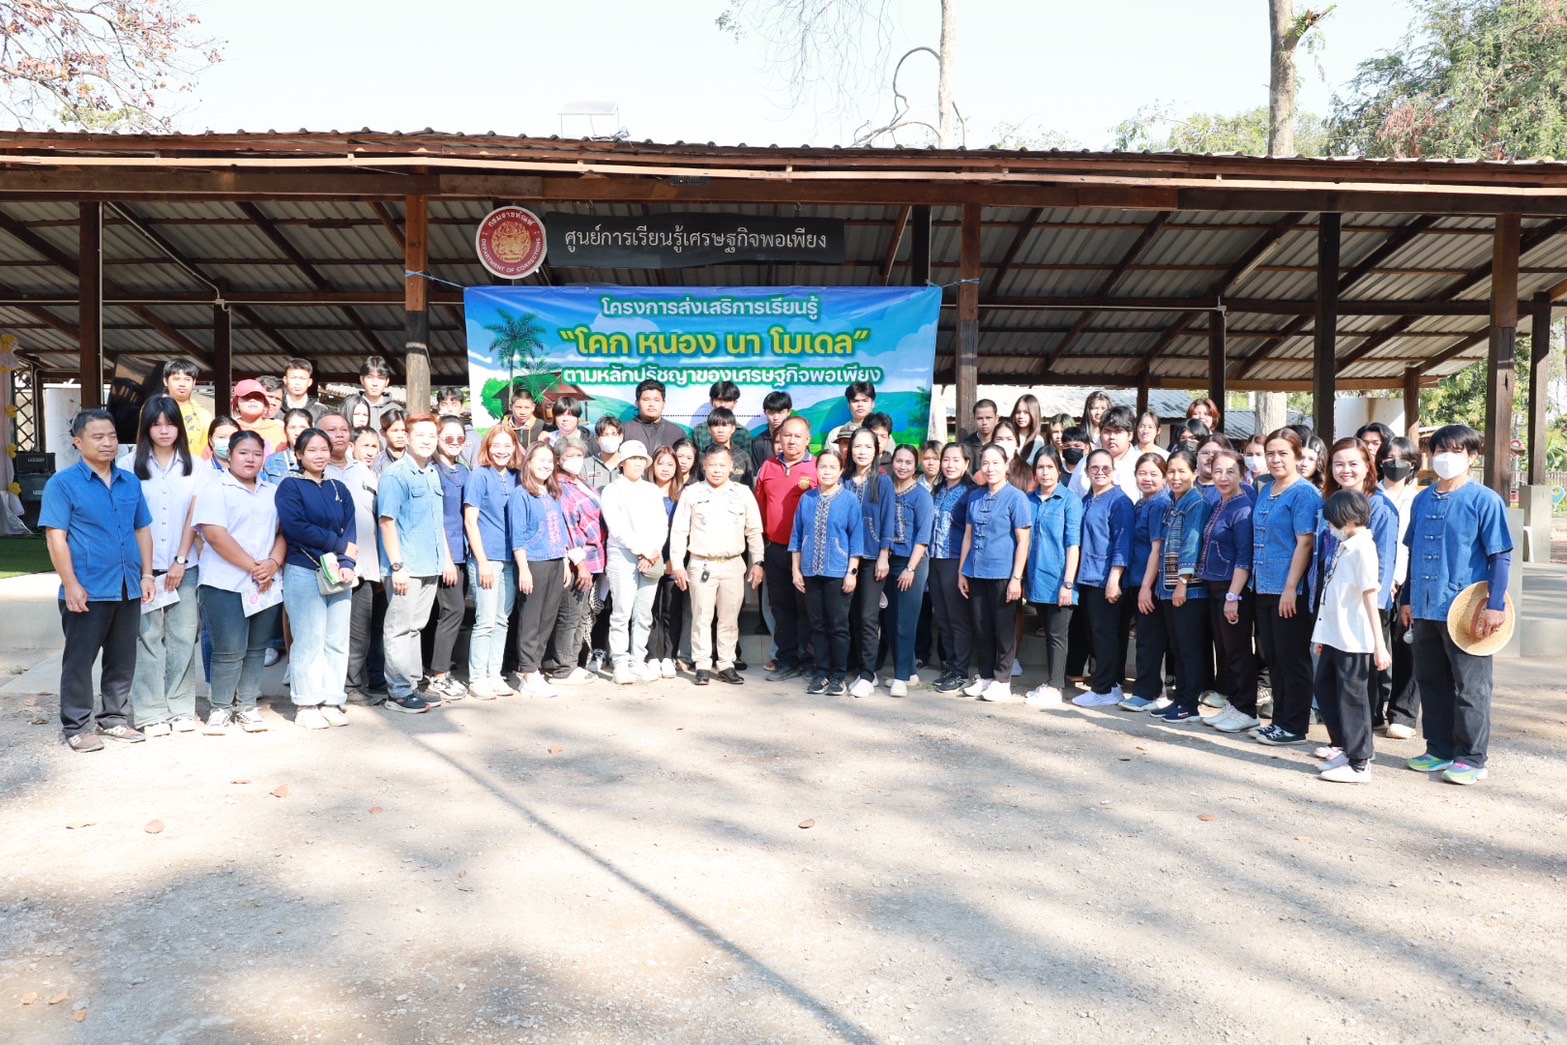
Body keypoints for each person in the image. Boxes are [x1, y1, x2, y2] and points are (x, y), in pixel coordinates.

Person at [1399, 424, 1511, 786]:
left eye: (1456, 451)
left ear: (1472, 457)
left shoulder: (1485, 500)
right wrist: (1406, 599)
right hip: (1425, 607)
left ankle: (1472, 758)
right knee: (1431, 681)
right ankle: (1439, 749)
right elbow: (1414, 552)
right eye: (1439, 451)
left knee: (1472, 687)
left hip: (1466, 610)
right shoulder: (1422, 500)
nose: (1446, 457)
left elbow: (1500, 556)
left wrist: (1496, 605)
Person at [41, 409, 156, 751]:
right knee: (79, 661)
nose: (108, 443)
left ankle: (114, 719)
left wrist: (147, 574)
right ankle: (76, 726)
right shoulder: (62, 484)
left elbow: (142, 529)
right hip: (87, 588)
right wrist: (71, 584)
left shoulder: (130, 482)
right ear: (78, 442)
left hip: (127, 585)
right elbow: (56, 537)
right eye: (98, 437)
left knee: (122, 658)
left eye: (112, 436)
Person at [193, 430, 285, 735]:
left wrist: (272, 564)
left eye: (257, 454)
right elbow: (215, 536)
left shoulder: (273, 491)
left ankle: (247, 706)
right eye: (243, 453)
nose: (250, 459)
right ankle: (220, 708)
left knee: (257, 648)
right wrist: (254, 567)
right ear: (229, 455)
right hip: (225, 583)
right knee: (229, 649)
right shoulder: (215, 489)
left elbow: (283, 533)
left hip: (265, 583)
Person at [123, 396, 202, 737]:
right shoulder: (128, 465)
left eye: (170, 423)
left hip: (185, 566)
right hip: (144, 569)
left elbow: (196, 516)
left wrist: (180, 560)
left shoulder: (197, 466)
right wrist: (146, 570)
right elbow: (129, 520)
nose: (164, 430)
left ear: (179, 427)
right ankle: (150, 712)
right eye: (156, 424)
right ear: (146, 428)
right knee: (147, 638)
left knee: (183, 637)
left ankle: (181, 708)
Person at [275, 428, 357, 729]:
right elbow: (295, 527)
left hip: (339, 572)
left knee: (337, 639)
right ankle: (306, 704)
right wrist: (339, 546)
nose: (320, 455)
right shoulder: (290, 486)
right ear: (298, 454)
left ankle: (332, 700)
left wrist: (347, 562)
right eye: (311, 450)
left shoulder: (338, 488)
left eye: (324, 449)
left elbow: (350, 528)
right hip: (303, 569)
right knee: (308, 639)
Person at [1312, 490, 1392, 783]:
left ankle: (1360, 763)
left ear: (1344, 518)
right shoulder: (1346, 546)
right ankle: (1346, 748)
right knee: (1326, 689)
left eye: (1332, 520)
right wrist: (1322, 635)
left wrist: (1379, 645)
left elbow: (1370, 596)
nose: (1330, 525)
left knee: (1352, 699)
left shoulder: (1363, 549)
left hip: (1354, 638)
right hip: (1335, 635)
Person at [671, 444, 765, 685]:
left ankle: (726, 664)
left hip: (733, 564)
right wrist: (678, 564)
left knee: (729, 618)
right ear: (704, 466)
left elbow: (754, 531)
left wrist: (757, 562)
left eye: (722, 465)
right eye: (712, 464)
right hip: (701, 564)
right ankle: (702, 664)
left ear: (731, 467)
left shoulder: (743, 493)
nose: (716, 470)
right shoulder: (692, 493)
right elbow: (679, 531)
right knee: (701, 616)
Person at [1250, 428, 1321, 746]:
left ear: (1297, 456)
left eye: (1283, 453)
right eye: (1270, 453)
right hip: (1262, 586)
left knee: (1293, 659)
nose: (1275, 459)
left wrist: (1291, 588)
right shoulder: (1267, 489)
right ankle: (1279, 721)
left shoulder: (1304, 494)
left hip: (1289, 589)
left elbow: (1305, 543)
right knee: (1275, 658)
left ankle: (1294, 726)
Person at [378, 414, 452, 714]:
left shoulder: (432, 472)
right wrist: (397, 566)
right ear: (406, 438)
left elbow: (436, 522)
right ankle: (397, 693)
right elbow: (387, 522)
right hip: (405, 567)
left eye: (432, 435)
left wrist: (444, 559)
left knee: (415, 628)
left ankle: (410, 685)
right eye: (420, 435)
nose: (427, 440)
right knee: (398, 629)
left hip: (429, 564)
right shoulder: (396, 475)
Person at [958, 443, 1033, 702]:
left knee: (1003, 629)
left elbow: (1023, 541)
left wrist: (1016, 578)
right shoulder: (975, 497)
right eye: (985, 463)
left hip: (1003, 574)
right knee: (982, 627)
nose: (990, 468)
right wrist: (962, 571)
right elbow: (968, 537)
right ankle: (986, 676)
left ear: (1006, 466)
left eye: (995, 463)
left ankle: (1003, 680)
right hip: (976, 571)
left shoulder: (1016, 498)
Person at [1146, 450, 1213, 723]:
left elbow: (1192, 545)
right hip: (1169, 588)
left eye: (1182, 471)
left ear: (1195, 473)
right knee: (1177, 648)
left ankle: (1189, 705)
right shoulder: (1174, 503)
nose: (1175, 477)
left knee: (1189, 649)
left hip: (1188, 590)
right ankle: (1180, 700)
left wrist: (1182, 583)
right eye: (1171, 472)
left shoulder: (1197, 503)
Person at [791, 448, 864, 697]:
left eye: (833, 467)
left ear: (841, 470)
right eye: (823, 466)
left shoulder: (849, 500)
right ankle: (821, 672)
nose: (827, 471)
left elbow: (856, 539)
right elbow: (796, 536)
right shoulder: (807, 499)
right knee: (818, 625)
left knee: (838, 626)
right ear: (816, 469)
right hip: (811, 572)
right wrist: (796, 570)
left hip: (837, 571)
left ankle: (838, 675)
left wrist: (852, 572)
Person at [1198, 450, 1261, 733]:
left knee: (1238, 651)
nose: (1223, 477)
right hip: (1215, 586)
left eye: (1230, 471)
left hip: (1231, 589)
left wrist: (1233, 597)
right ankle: (1235, 705)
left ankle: (1247, 709)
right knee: (1226, 650)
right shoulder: (1220, 503)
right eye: (1218, 471)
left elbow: (1244, 558)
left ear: (1242, 474)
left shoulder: (1243, 508)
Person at [323, 412, 384, 705]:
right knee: (330, 631)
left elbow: (377, 517)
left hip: (366, 565)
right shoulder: (315, 471)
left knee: (360, 631)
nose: (339, 434)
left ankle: (352, 686)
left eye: (343, 429)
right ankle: (327, 687)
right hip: (328, 566)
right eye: (331, 430)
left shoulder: (365, 472)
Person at [755, 417, 819, 682]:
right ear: (779, 438)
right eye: (787, 435)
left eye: (797, 436)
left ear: (807, 440)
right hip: (776, 549)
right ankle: (787, 660)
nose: (791, 441)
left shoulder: (817, 467)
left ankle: (810, 660)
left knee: (808, 607)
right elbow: (759, 508)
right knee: (781, 607)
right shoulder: (768, 466)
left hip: (807, 551)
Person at [1069, 447, 1134, 707]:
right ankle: (1110, 685)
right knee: (1095, 633)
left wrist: (1114, 579)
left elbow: (1122, 543)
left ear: (1113, 470)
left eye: (1105, 467)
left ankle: (1105, 688)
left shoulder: (1119, 501)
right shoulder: (1087, 499)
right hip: (1086, 576)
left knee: (1105, 634)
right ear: (1086, 471)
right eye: (1094, 467)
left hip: (1105, 577)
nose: (1100, 472)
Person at [600, 441, 669, 686]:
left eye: (642, 459)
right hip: (622, 556)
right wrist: (642, 550)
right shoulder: (612, 490)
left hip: (651, 556)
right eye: (633, 459)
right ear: (622, 463)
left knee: (644, 612)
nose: (638, 463)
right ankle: (620, 662)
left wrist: (653, 551)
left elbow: (661, 523)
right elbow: (617, 527)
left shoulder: (652, 490)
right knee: (622, 611)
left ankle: (638, 660)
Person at [462, 424, 521, 700]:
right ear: (487, 447)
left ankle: (494, 674)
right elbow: (470, 522)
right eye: (496, 445)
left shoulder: (516, 476)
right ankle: (477, 678)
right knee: (485, 620)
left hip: (511, 558)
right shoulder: (479, 476)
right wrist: (482, 561)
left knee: (501, 620)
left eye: (507, 445)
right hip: (487, 559)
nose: (502, 450)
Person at [510, 441, 572, 697]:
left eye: (550, 461)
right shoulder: (521, 494)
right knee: (531, 619)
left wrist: (565, 561)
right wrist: (523, 568)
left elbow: (561, 529)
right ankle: (527, 673)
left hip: (556, 559)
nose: (546, 465)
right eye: (541, 460)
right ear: (529, 463)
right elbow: (518, 534)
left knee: (547, 618)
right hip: (534, 561)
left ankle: (535, 669)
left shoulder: (552, 492)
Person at [1022, 446, 1081, 708]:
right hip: (1036, 579)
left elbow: (1073, 545)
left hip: (1060, 580)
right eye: (1040, 467)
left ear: (1059, 470)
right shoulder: (1029, 500)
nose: (1045, 472)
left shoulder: (1070, 501)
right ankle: (1051, 682)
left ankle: (1056, 687)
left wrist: (1068, 583)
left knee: (1058, 635)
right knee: (1048, 633)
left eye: (1050, 467)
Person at [546, 437, 606, 685]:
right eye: (569, 456)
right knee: (570, 615)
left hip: (593, 558)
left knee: (581, 614)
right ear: (558, 460)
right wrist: (580, 564)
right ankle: (563, 668)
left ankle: (572, 662)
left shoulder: (579, 481)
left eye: (579, 455)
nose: (575, 460)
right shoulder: (560, 487)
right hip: (576, 562)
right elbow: (569, 530)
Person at [1376, 436, 1422, 739]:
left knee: (1407, 647)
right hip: (1372, 583)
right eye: (1389, 457)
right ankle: (1371, 708)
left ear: (1413, 464)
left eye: (1403, 458)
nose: (1395, 464)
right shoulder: (1368, 495)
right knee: (1372, 648)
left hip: (1408, 582)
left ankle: (1403, 714)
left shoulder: (1419, 499)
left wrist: (1399, 580)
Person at [843, 428, 894, 697]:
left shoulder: (882, 482)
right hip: (846, 558)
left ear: (877, 451)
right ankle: (858, 668)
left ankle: (868, 673)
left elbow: (888, 520)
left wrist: (884, 554)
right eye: (857, 446)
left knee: (867, 617)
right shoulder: (844, 480)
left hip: (873, 557)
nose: (862, 451)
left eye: (867, 447)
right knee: (851, 615)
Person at [424, 416, 470, 702]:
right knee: (452, 611)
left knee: (450, 612)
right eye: (448, 438)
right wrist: (447, 559)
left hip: (463, 551)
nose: (454, 443)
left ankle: (436, 666)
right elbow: (436, 517)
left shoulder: (463, 470)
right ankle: (440, 674)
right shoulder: (432, 471)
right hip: (445, 552)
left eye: (460, 438)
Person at [880, 445, 933, 697]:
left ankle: (900, 678)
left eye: (908, 462)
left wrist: (911, 568)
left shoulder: (922, 495)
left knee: (905, 622)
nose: (902, 466)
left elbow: (923, 536)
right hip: (887, 561)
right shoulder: (886, 490)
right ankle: (909, 671)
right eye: (899, 461)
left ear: (915, 465)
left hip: (912, 562)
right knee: (890, 620)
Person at [1124, 453, 1173, 713]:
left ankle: (1149, 692)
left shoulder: (1160, 504)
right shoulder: (1142, 503)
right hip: (1137, 579)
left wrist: (1146, 587)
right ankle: (1148, 689)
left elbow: (1158, 549)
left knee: (1150, 639)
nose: (1147, 478)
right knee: (1145, 637)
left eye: (1154, 474)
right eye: (1142, 473)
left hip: (1150, 583)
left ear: (1164, 477)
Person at [928, 443, 976, 694]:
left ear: (966, 463)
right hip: (935, 559)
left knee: (958, 619)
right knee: (942, 617)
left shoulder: (970, 493)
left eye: (956, 460)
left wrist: (963, 569)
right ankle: (949, 665)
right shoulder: (938, 489)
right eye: (946, 459)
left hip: (955, 561)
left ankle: (960, 671)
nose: (950, 465)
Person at [646, 446, 688, 680]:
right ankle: (652, 656)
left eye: (670, 464)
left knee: (671, 610)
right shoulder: (643, 492)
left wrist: (675, 559)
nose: (665, 468)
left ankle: (669, 657)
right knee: (650, 610)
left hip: (674, 561)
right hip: (648, 559)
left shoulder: (683, 496)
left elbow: (686, 531)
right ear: (652, 466)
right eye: (660, 463)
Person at [1068, 405, 1139, 499]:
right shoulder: (1085, 463)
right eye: (1107, 431)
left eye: (1118, 432)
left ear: (1130, 435)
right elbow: (1071, 498)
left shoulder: (1141, 464)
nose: (1112, 437)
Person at [163, 358, 212, 458]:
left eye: (187, 379)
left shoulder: (203, 415)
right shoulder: (154, 409)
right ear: (165, 381)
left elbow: (206, 449)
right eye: (176, 379)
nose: (182, 384)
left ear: (194, 382)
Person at [691, 380, 752, 460]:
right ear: (711, 402)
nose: (723, 404)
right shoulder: (699, 431)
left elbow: (745, 462)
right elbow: (695, 461)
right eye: (719, 400)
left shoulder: (742, 433)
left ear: (735, 403)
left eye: (727, 400)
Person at [693, 406, 752, 486]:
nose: (720, 430)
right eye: (716, 426)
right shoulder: (702, 456)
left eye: (724, 425)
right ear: (709, 430)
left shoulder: (743, 457)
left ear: (733, 428)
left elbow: (749, 487)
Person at [623, 378, 685, 451]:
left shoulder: (677, 432)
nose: (651, 404)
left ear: (663, 403)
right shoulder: (625, 430)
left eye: (656, 400)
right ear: (637, 403)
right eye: (646, 400)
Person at [340, 355, 395, 432]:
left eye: (381, 378)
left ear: (387, 381)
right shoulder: (349, 407)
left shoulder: (396, 411)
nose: (375, 383)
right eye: (370, 377)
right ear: (362, 379)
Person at [231, 379, 286, 454]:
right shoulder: (230, 428)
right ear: (236, 404)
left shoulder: (280, 429)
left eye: (258, 397)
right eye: (246, 397)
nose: (252, 400)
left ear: (265, 404)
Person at [262, 408, 314, 483]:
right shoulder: (273, 461)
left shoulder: (320, 459)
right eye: (292, 427)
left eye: (303, 427)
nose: (297, 432)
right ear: (285, 431)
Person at [749, 390, 794, 470]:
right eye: (771, 413)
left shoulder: (797, 439)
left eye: (780, 412)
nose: (776, 418)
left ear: (789, 412)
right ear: (765, 412)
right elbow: (757, 473)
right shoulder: (758, 442)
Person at [826, 380, 878, 447]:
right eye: (855, 401)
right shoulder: (836, 434)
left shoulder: (881, 434)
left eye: (865, 401)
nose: (860, 404)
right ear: (849, 405)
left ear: (873, 404)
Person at [280, 357, 326, 422]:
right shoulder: (275, 407)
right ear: (285, 380)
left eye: (302, 378)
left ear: (309, 382)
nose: (297, 383)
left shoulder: (321, 410)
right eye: (293, 378)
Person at [959, 399, 1000, 467]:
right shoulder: (965, 446)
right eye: (980, 418)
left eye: (988, 418)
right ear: (974, 419)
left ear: (996, 418)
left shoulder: (1002, 443)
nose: (984, 422)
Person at [1010, 394, 1047, 465]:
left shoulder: (1038, 441)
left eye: (1026, 412)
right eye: (1018, 412)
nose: (1021, 416)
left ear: (1034, 414)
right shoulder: (1007, 435)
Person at [373, 409, 408, 475]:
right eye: (395, 431)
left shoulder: (415, 458)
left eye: (404, 430)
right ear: (383, 432)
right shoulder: (378, 462)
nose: (400, 435)